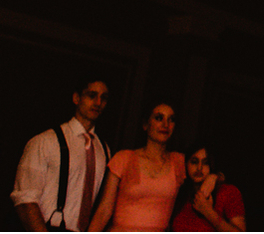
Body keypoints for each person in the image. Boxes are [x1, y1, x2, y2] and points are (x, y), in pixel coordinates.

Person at [12, 77, 111, 231]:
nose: (98, 103)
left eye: (103, 98)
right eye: (91, 95)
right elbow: (25, 200)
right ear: (76, 98)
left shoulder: (103, 150)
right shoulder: (45, 141)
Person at [88, 102, 187, 231]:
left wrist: (213, 178)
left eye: (171, 120)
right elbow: (104, 210)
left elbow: (206, 173)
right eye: (158, 118)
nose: (165, 124)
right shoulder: (124, 158)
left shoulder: (178, 161)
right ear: (145, 124)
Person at [169, 143, 246, 232]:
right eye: (194, 162)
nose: (199, 168)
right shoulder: (180, 193)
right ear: (186, 164)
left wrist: (209, 212)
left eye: (205, 163)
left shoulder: (227, 192)